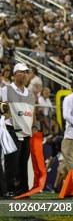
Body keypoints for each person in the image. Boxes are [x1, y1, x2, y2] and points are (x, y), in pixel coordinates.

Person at [1, 63, 35, 196]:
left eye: (26, 72)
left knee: (23, 162)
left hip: (26, 131)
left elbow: (33, 112)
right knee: (11, 162)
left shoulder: (31, 93)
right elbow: (2, 107)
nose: (24, 74)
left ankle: (22, 189)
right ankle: (9, 189)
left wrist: (35, 126)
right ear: (14, 74)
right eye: (21, 72)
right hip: (11, 129)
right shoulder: (6, 89)